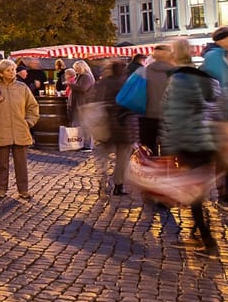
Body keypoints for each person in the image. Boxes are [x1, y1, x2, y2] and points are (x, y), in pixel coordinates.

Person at [162, 37, 228, 257]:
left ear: (174, 55)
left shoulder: (178, 81)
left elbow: (174, 116)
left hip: (189, 143)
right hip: (209, 142)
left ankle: (207, 240)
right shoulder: (206, 77)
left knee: (193, 194)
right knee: (198, 191)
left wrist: (169, 148)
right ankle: (199, 233)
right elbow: (227, 106)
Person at [0, 60, 40, 199]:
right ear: (0, 73)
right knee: (2, 164)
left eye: (13, 69)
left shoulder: (22, 87)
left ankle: (23, 190)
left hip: (20, 130)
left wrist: (29, 122)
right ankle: (2, 189)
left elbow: (33, 107)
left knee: (21, 165)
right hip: (1, 130)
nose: (12, 72)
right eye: (8, 70)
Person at [200, 26, 228, 210]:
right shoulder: (216, 59)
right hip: (223, 116)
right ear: (221, 39)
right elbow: (221, 90)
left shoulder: (224, 57)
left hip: (224, 115)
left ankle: (226, 193)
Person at [92, 59, 137, 196]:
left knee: (103, 154)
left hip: (106, 124)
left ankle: (102, 180)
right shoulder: (127, 82)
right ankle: (119, 185)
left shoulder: (103, 82)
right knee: (122, 157)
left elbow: (95, 101)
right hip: (123, 124)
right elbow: (132, 103)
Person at [140, 43, 174, 157]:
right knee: (169, 152)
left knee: (149, 150)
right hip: (169, 118)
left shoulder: (144, 71)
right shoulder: (175, 72)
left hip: (147, 117)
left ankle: (150, 172)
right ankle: (166, 172)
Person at [69, 60, 96, 151]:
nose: (76, 70)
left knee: (85, 125)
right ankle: (80, 143)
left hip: (85, 104)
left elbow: (83, 88)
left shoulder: (86, 77)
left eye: (77, 68)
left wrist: (71, 85)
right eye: (75, 68)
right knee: (79, 124)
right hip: (81, 104)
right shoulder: (81, 76)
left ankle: (87, 145)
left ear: (82, 67)